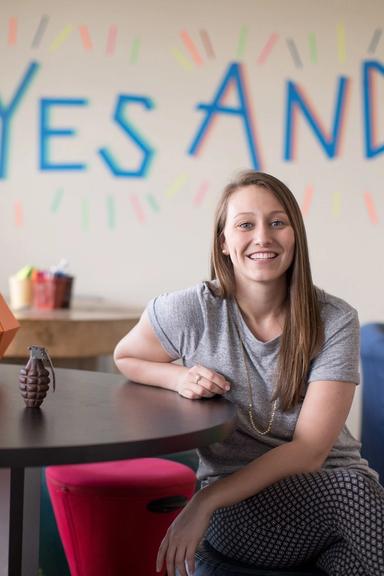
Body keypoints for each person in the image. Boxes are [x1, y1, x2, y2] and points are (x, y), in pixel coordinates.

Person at [114, 171, 384, 576]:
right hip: (238, 510)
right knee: (356, 491)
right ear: (223, 241)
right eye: (245, 224)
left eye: (277, 222)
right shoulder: (192, 311)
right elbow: (126, 356)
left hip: (334, 499)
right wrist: (178, 377)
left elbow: (310, 452)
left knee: (351, 558)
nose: (263, 237)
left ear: (295, 236)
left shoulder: (335, 319)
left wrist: (200, 502)